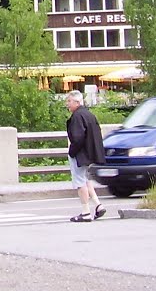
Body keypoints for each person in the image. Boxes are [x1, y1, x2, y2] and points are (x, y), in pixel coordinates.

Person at [65, 89, 106, 222]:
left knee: (79, 182)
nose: (67, 104)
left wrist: (72, 151)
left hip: (80, 154)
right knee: (85, 179)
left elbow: (78, 138)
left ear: (77, 102)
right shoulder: (89, 114)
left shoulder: (77, 117)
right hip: (89, 152)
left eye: (69, 101)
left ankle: (85, 211)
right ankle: (98, 205)